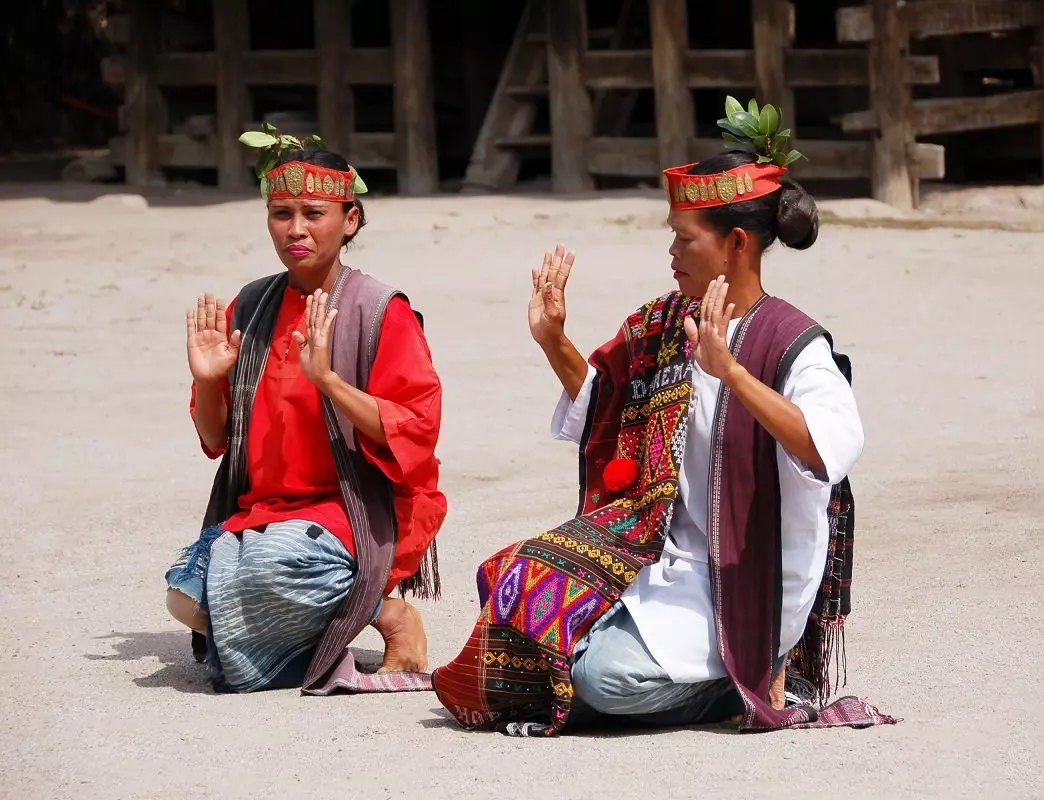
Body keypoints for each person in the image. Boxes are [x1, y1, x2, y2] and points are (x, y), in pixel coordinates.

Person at [431, 98, 894, 735]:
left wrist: (733, 374)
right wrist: (554, 341)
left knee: (600, 680)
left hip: (747, 580)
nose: (672, 252)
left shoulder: (793, 344)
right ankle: (636, 666)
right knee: (516, 590)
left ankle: (754, 681)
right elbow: (605, 415)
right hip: (655, 551)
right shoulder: (665, 322)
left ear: (735, 244)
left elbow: (827, 451)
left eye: (684, 237)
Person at [165, 133, 446, 695]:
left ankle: (388, 613)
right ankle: (324, 625)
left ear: (350, 220)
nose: (296, 229)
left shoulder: (378, 311)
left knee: (270, 570)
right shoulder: (251, 306)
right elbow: (216, 438)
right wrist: (209, 379)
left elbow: (416, 430)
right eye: (281, 214)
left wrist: (330, 383)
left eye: (314, 214)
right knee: (186, 598)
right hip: (263, 513)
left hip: (349, 515)